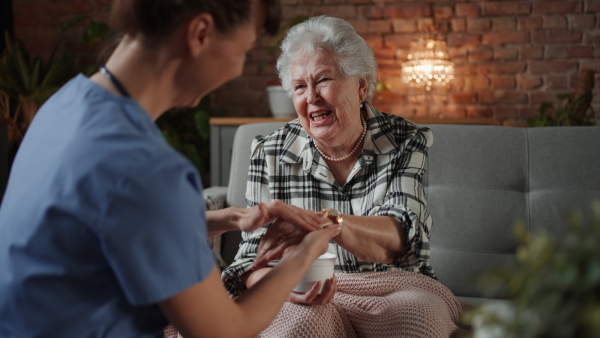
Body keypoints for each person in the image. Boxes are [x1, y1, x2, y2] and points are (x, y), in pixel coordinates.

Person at [0, 1, 343, 337]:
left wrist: (231, 218)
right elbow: (225, 329)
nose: (239, 68)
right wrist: (306, 252)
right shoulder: (144, 166)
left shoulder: (65, 104)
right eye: (244, 49)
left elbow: (108, 222)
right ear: (200, 34)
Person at [222, 15, 470, 337]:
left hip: (391, 287)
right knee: (302, 325)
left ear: (361, 85)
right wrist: (284, 287)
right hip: (304, 293)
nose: (311, 97)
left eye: (323, 80)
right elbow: (249, 264)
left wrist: (326, 225)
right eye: (299, 86)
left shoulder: (404, 140)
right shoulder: (269, 152)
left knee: (415, 319)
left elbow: (403, 237)